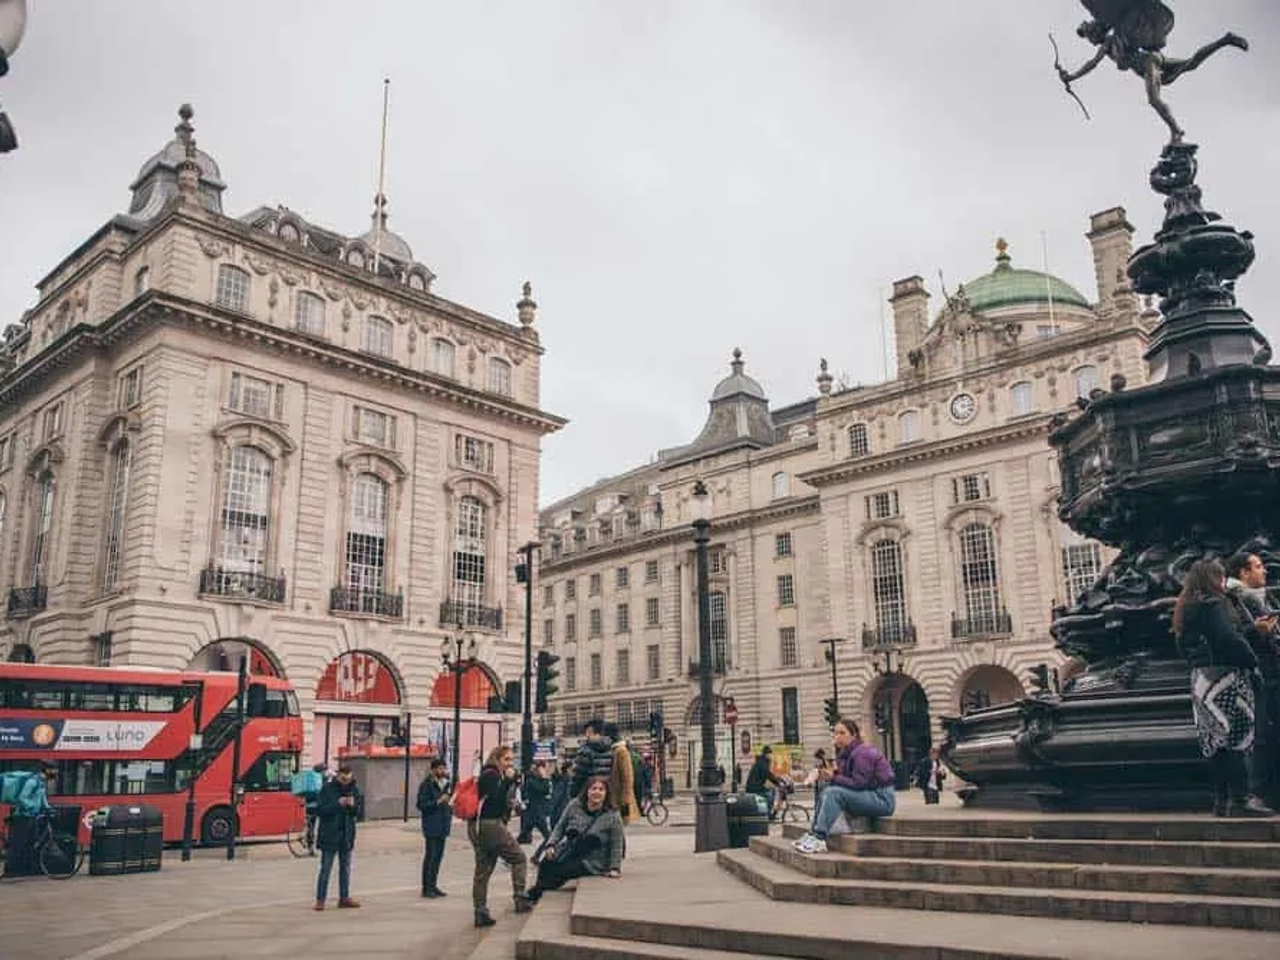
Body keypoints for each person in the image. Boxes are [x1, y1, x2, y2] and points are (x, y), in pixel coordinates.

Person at [1173, 558, 1273, 817]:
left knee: (1214, 740)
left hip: (1202, 679)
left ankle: (1221, 800)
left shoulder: (1186, 607)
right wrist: (1251, 661)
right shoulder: (1214, 603)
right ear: (1213, 579)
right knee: (1237, 737)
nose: (1223, 582)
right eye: (1220, 577)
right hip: (1226, 676)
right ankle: (1241, 799)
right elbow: (1227, 638)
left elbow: (1181, 644)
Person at [1225, 550, 1280, 808]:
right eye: (1258, 566)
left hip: (1266, 671)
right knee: (1260, 733)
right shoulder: (1238, 597)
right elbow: (1234, 636)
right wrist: (1259, 631)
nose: (1264, 570)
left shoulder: (1257, 595)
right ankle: (1258, 791)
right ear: (1243, 572)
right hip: (1258, 673)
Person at [793, 718, 895, 854]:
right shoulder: (847, 753)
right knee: (826, 790)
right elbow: (846, 778)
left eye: (842, 733)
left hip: (882, 799)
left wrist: (833, 777)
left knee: (833, 793)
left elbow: (859, 783)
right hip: (870, 795)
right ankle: (813, 834)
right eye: (835, 733)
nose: (837, 736)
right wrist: (829, 774)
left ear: (853, 735)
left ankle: (819, 837)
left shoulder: (862, 752)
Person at [524, 776, 624, 903]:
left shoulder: (613, 815)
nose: (597, 792)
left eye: (601, 789)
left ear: (606, 793)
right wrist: (551, 845)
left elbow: (617, 843)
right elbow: (560, 827)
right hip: (571, 849)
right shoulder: (574, 805)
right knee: (546, 863)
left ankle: (536, 893)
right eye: (593, 788)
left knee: (561, 871)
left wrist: (614, 868)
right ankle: (538, 892)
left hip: (593, 860)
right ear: (587, 791)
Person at [470, 745, 531, 927]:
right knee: (519, 858)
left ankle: (480, 911)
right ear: (496, 759)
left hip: (479, 825)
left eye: (512, 760)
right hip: (489, 824)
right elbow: (495, 799)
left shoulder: (490, 774)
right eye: (506, 760)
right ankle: (520, 898)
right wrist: (508, 781)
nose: (510, 764)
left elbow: (493, 800)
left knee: (483, 870)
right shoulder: (491, 774)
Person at [313, 765, 361, 910]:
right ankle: (320, 899)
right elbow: (320, 810)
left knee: (345, 868)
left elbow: (357, 812)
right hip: (330, 834)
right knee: (326, 869)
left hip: (346, 834)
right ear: (338, 776)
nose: (346, 782)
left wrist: (353, 806)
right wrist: (337, 803)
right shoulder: (327, 789)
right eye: (343, 779)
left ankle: (344, 898)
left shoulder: (354, 789)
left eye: (348, 779)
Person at [4, 762, 56, 877]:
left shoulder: (41, 784)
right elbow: (22, 798)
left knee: (31, 843)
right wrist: (31, 807)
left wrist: (49, 809)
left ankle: (25, 869)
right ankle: (10, 870)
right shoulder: (32, 782)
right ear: (46, 771)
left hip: (33, 817)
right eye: (53, 770)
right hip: (22, 816)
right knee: (18, 844)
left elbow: (42, 799)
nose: (55, 773)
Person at [416, 758, 452, 898]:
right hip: (431, 825)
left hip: (443, 825)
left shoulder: (445, 784)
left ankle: (433, 885)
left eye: (444, 768)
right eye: (440, 769)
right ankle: (426, 888)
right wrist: (438, 802)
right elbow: (421, 805)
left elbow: (447, 803)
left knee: (438, 857)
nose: (443, 771)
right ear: (433, 770)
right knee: (430, 857)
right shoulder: (426, 785)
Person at [570, 720, 614, 798]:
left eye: (586, 732)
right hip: (605, 793)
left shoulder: (586, 750)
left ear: (590, 731)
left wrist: (573, 793)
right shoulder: (611, 748)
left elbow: (579, 776)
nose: (586, 735)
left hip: (588, 793)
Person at [604, 722, 636, 825]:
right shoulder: (612, 750)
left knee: (618, 829)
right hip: (611, 800)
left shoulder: (621, 750)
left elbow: (628, 777)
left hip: (618, 801)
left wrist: (625, 802)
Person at [518, 761, 553, 846]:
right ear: (539, 769)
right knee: (548, 836)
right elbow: (543, 790)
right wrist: (545, 778)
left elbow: (546, 790)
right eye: (544, 768)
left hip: (535, 812)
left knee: (524, 834)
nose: (546, 770)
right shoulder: (531, 780)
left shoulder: (538, 779)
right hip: (535, 812)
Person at [745, 746, 783, 820]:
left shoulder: (763, 762)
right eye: (769, 754)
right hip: (754, 787)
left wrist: (779, 779)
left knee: (772, 790)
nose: (771, 755)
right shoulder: (762, 762)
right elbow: (767, 774)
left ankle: (769, 812)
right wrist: (778, 783)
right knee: (768, 795)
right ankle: (768, 814)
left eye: (770, 754)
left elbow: (769, 774)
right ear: (766, 754)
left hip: (757, 785)